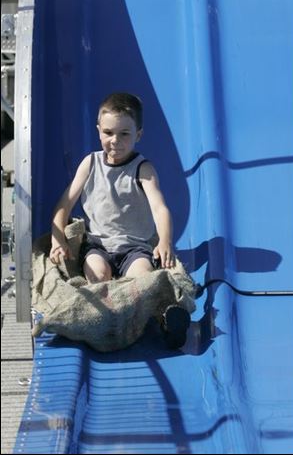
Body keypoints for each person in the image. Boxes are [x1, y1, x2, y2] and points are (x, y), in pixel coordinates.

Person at [49, 92, 190, 348]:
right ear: (98, 131)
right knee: (98, 275)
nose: (115, 140)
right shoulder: (90, 163)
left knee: (143, 280)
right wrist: (56, 239)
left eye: (124, 134)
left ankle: (167, 322)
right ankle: (109, 312)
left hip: (134, 247)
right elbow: (64, 205)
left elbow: (160, 208)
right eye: (108, 133)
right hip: (98, 246)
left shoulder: (143, 169)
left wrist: (165, 241)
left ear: (138, 135)